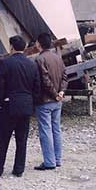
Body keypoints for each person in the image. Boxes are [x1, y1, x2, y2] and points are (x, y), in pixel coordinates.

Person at [0, 35, 40, 178]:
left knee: (1, 140)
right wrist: (32, 104)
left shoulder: (5, 63)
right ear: (25, 48)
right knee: (22, 139)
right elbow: (37, 87)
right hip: (25, 106)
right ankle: (19, 169)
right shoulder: (32, 64)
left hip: (8, 105)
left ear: (11, 47)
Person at [34, 32, 68, 170]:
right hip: (57, 100)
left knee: (45, 131)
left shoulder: (39, 59)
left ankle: (49, 162)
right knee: (56, 130)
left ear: (39, 44)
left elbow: (45, 80)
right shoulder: (57, 58)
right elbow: (65, 76)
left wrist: (54, 94)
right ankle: (57, 159)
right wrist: (61, 92)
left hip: (45, 100)